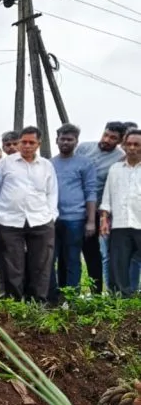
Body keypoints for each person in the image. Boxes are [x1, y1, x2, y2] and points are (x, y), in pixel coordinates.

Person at [0, 125, 58, 302]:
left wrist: (52, 215)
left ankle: (38, 303)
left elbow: (52, 192)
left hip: (41, 220)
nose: (27, 146)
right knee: (13, 265)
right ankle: (15, 305)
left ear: (39, 144)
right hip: (9, 221)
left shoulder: (46, 166)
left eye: (31, 142)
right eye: (23, 142)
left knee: (41, 265)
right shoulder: (4, 164)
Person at [50, 123, 97, 299]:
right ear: (57, 140)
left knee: (72, 259)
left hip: (76, 219)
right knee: (52, 260)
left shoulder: (85, 163)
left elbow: (91, 191)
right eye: (63, 139)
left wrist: (91, 221)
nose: (66, 142)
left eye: (70, 139)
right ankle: (55, 297)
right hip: (53, 219)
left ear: (76, 142)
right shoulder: (49, 164)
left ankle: (72, 297)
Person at [78, 121, 126, 292]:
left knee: (93, 254)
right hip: (73, 209)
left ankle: (96, 293)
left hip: (96, 212)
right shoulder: (84, 148)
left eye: (113, 138)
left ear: (120, 141)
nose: (107, 139)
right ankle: (68, 294)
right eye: (106, 134)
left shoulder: (120, 157)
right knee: (69, 254)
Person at [100, 127, 141, 296]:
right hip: (120, 224)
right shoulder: (115, 169)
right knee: (119, 264)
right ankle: (123, 300)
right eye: (129, 144)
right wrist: (104, 220)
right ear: (124, 145)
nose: (132, 148)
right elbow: (107, 198)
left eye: (136, 145)